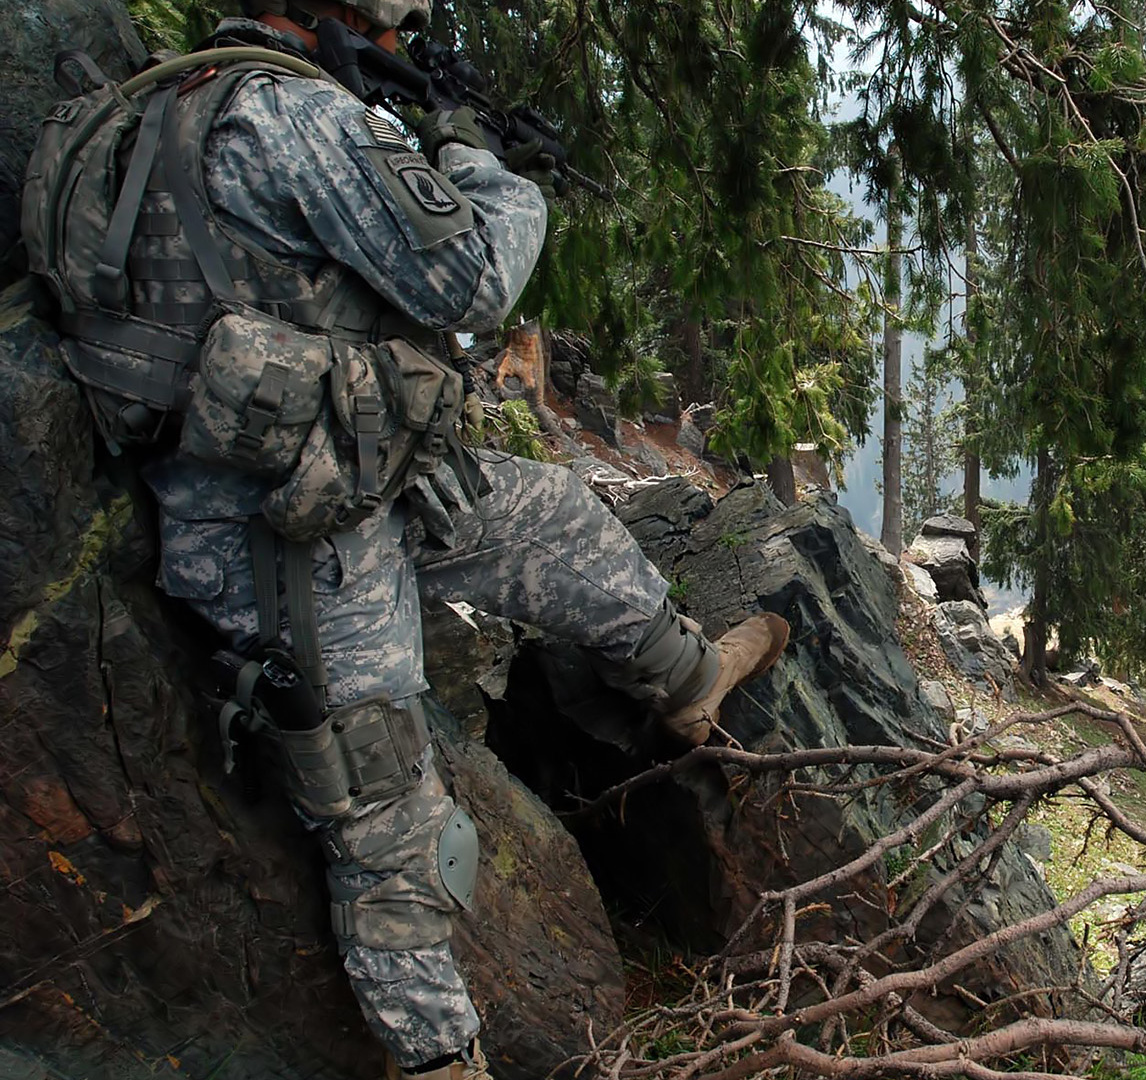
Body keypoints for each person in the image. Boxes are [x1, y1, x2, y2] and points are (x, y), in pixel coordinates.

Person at [22, 1, 790, 1076]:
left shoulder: (179, 95)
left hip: (348, 481)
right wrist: (477, 161)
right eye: (394, 25)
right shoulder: (290, 116)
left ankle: (690, 681)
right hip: (283, 538)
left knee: (556, 517)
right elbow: (471, 274)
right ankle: (442, 1062)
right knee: (392, 828)